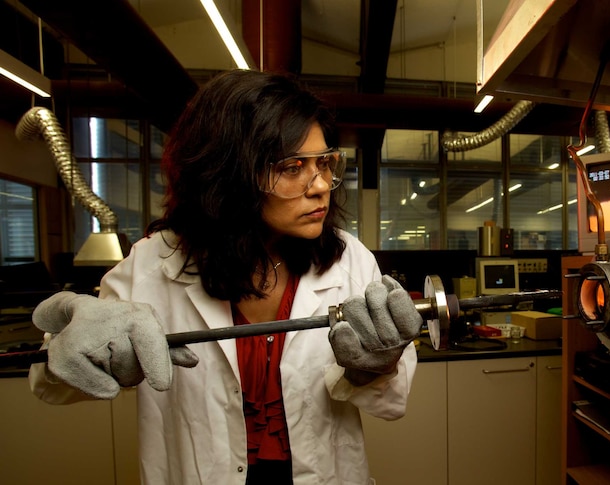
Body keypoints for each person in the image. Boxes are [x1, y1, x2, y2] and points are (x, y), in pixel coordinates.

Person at [28, 69, 423, 485]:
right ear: (230, 172)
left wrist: (374, 367)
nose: (321, 184)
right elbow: (50, 386)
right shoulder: (152, 266)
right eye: (293, 167)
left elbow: (393, 401)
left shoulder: (348, 259)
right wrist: (80, 351)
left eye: (324, 162)